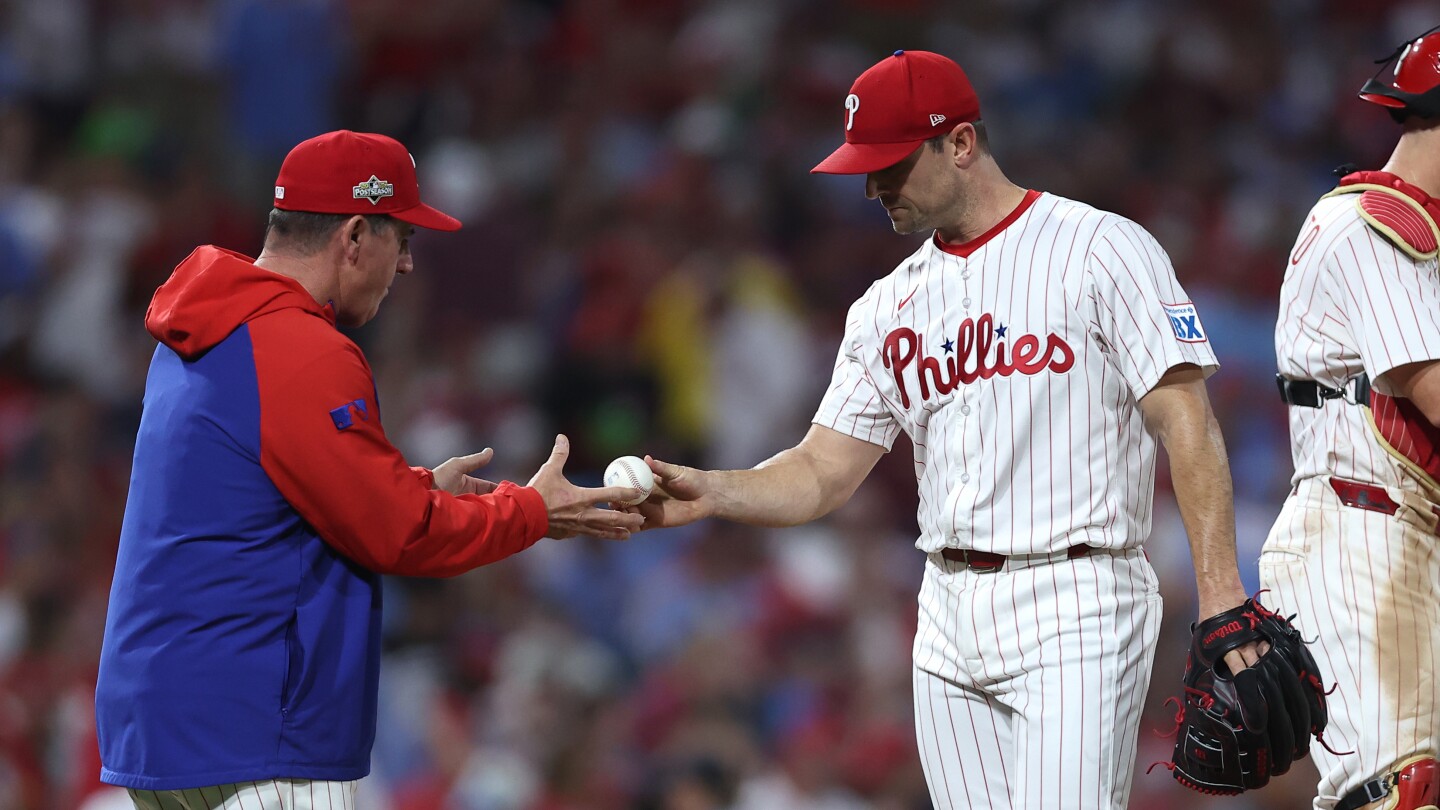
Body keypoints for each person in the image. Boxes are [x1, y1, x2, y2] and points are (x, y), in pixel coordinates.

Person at [630, 50, 1265, 808]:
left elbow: (1185, 421)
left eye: (891, 164)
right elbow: (824, 469)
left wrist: (1223, 595)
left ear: (959, 144)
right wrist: (717, 492)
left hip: (1079, 592)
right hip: (947, 610)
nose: (871, 187)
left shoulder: (1100, 248)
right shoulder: (884, 308)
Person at [94, 130, 644, 809]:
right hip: (259, 731)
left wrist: (408, 486)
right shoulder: (301, 346)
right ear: (355, 237)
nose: (408, 265)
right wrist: (532, 511)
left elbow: (270, 496)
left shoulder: (211, 326)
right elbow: (398, 534)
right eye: (402, 240)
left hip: (171, 725)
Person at [1269, 25, 1440, 810]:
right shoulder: (1372, 225)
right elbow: (1429, 385)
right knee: (1400, 791)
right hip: (1359, 534)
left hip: (1405, 538)